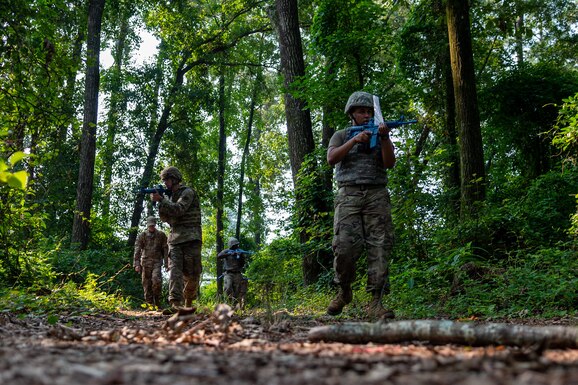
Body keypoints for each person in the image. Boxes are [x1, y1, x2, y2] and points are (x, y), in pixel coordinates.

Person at [325, 91, 396, 319]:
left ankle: (376, 301)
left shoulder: (380, 133)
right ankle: (344, 291)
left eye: (369, 112)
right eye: (361, 111)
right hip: (348, 195)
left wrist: (384, 138)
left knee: (379, 246)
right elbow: (331, 158)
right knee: (343, 247)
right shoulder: (341, 134)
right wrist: (354, 140)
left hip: (376, 194)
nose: (366, 115)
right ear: (352, 114)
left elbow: (389, 163)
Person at [151, 166, 202, 311]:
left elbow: (179, 209)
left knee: (192, 273)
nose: (165, 183)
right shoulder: (170, 197)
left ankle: (188, 304)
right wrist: (160, 202)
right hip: (175, 239)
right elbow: (166, 218)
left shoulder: (187, 192)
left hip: (191, 238)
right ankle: (175, 304)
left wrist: (162, 199)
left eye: (167, 180)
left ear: (174, 179)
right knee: (175, 271)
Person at [133, 216, 169, 308]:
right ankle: (149, 305)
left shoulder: (161, 235)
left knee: (156, 281)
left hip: (157, 262)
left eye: (153, 225)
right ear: (147, 225)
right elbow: (137, 250)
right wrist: (136, 264)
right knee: (146, 284)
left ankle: (157, 303)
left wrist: (167, 263)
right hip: (145, 263)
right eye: (150, 226)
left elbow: (165, 250)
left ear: (155, 225)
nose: (151, 227)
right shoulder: (142, 236)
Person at [217, 237, 250, 307]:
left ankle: (234, 305)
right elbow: (219, 256)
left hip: (237, 274)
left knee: (237, 291)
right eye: (234, 245)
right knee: (228, 287)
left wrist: (240, 256)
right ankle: (228, 302)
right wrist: (230, 254)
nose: (236, 246)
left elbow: (242, 264)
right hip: (228, 273)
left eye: (236, 244)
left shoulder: (240, 252)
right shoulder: (226, 251)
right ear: (230, 245)